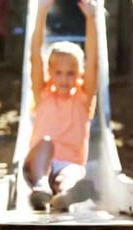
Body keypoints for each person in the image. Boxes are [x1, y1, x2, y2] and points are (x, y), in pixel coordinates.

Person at [23, 0, 98, 211]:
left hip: (69, 164)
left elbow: (93, 61)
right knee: (46, 142)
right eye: (58, 72)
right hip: (38, 165)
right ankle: (41, 190)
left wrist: (91, 20)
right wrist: (41, 12)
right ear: (50, 73)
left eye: (71, 73)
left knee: (72, 174)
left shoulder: (83, 100)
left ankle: (66, 194)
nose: (64, 79)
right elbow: (35, 57)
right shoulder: (43, 94)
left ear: (80, 74)